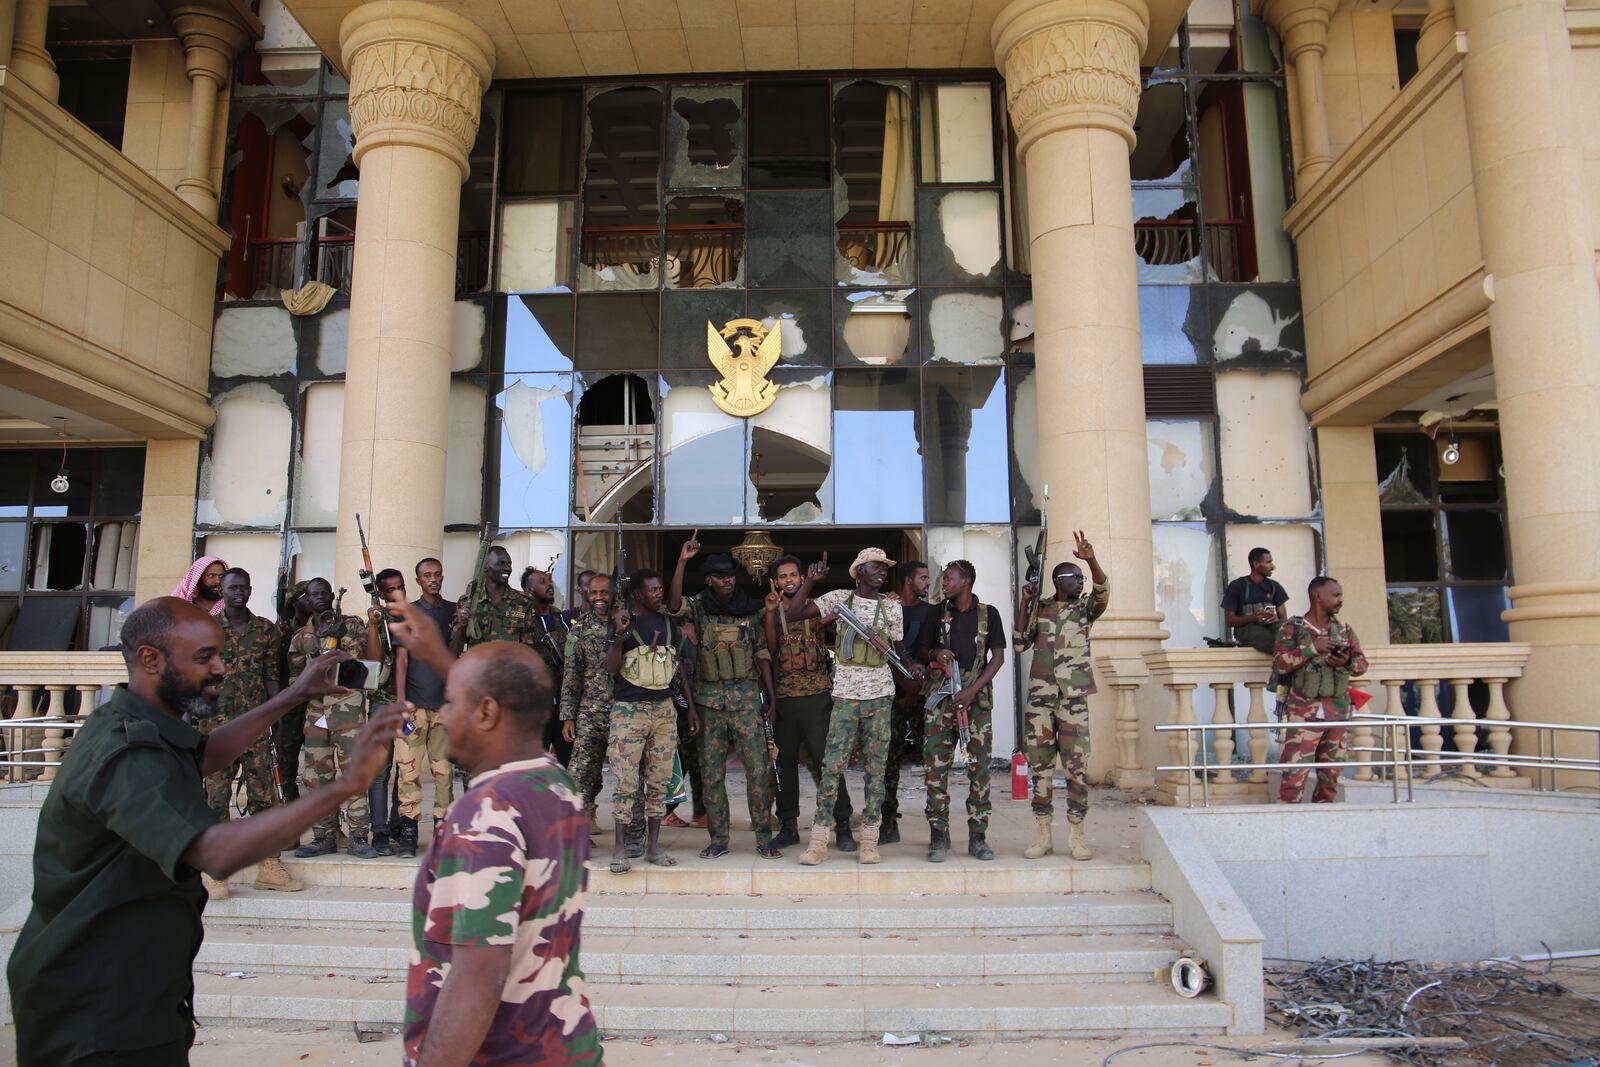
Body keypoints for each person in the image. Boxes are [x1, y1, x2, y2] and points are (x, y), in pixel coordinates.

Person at [7, 597, 400, 1067]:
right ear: (150, 660)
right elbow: (213, 851)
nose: (221, 668)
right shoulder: (124, 750)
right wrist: (347, 784)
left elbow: (206, 753)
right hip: (94, 1007)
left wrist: (292, 695)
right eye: (204, 658)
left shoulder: (144, 723)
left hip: (135, 990)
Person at [377, 599, 602, 1067]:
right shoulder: (556, 786)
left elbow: (477, 979)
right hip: (567, 1048)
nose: (445, 713)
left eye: (451, 701)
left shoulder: (485, 814)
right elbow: (504, 706)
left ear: (484, 713)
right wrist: (443, 657)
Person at [786, 547, 909, 866]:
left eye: (884, 567)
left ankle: (869, 841)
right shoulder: (840, 598)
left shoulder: (892, 608)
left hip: (880, 696)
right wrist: (809, 582)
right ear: (859, 571)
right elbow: (794, 614)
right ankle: (818, 842)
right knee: (831, 768)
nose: (882, 571)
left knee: (875, 770)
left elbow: (896, 648)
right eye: (875, 566)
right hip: (845, 696)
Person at [667, 535, 780, 859]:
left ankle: (763, 836)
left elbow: (761, 653)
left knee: (759, 771)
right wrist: (682, 561)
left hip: (746, 700)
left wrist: (770, 699)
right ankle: (719, 839)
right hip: (709, 703)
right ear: (709, 580)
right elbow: (674, 604)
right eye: (720, 576)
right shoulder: (700, 607)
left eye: (731, 575)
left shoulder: (750, 607)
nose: (727, 581)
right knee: (711, 773)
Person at [199, 567, 302, 899]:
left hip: (256, 727)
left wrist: (277, 715)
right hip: (218, 730)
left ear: (250, 590)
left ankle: (269, 867)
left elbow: (272, 675)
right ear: (223, 592)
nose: (238, 593)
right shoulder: (208, 629)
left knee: (263, 797)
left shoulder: (266, 630)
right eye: (232, 588)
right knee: (216, 798)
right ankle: (215, 872)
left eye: (243, 587)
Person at [1015, 532, 1109, 862]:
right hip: (1040, 699)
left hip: (1073, 699)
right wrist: (1026, 600)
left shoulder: (1085, 609)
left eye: (1082, 577)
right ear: (1059, 581)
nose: (1082, 581)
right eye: (1077, 577)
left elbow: (1102, 592)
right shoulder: (1040, 608)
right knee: (1039, 770)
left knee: (1076, 769)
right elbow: (1018, 642)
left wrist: (1091, 560)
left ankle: (1077, 836)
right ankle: (1043, 835)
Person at [604, 569, 697, 873]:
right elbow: (610, 668)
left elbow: (680, 668)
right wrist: (618, 636)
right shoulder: (623, 623)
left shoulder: (670, 625)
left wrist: (691, 708)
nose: (658, 593)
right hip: (629, 710)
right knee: (626, 782)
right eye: (653, 590)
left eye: (660, 588)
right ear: (637, 594)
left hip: (663, 709)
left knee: (659, 782)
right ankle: (620, 850)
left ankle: (653, 849)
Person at [288, 578, 385, 857]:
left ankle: (358, 837)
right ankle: (323, 836)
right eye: (313, 594)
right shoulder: (302, 637)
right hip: (316, 714)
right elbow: (295, 677)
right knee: (316, 778)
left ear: (332, 595)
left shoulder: (352, 624)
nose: (319, 598)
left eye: (323, 593)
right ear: (307, 599)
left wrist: (347, 635)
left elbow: (372, 665)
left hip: (348, 712)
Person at [763, 555, 852, 852]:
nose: (789, 580)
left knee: (827, 762)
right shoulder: (772, 607)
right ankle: (788, 826)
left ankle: (842, 824)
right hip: (786, 698)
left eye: (793, 575)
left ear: (801, 578)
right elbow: (772, 650)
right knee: (784, 765)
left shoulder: (816, 606)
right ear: (776, 581)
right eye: (783, 576)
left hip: (816, 697)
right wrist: (770, 614)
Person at [924, 560, 1007, 863]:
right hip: (941, 705)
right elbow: (922, 651)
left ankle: (978, 837)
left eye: (949, 578)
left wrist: (972, 690)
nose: (943, 583)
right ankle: (938, 834)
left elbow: (997, 658)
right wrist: (936, 653)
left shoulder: (989, 614)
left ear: (966, 581)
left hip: (976, 705)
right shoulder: (937, 613)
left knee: (979, 771)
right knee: (935, 771)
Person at [1273, 576, 1368, 804]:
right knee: (1294, 775)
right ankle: (1287, 825)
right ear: (1318, 596)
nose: (1340, 600)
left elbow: (1361, 665)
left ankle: (1324, 819)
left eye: (1340, 595)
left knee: (1332, 776)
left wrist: (1345, 662)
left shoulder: (1344, 630)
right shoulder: (1293, 629)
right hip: (1304, 713)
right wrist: (1311, 649)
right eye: (1335, 595)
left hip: (1337, 711)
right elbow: (1280, 664)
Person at [392, 557, 455, 858]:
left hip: (444, 706)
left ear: (443, 577)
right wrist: (402, 702)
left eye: (437, 575)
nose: (433, 579)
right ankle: (409, 830)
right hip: (414, 705)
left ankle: (443, 828)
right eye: (426, 575)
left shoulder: (453, 612)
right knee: (408, 771)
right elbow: (401, 660)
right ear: (418, 580)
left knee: (444, 772)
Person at [559, 572, 621, 830]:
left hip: (624, 712)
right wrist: (568, 717)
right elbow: (571, 674)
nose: (598, 598)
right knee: (581, 773)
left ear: (614, 593)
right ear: (586, 594)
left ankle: (631, 832)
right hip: (589, 714)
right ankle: (575, 827)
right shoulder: (580, 628)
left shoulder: (626, 622)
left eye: (604, 592)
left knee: (627, 777)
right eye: (594, 593)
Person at [883, 559, 934, 845]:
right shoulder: (889, 608)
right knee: (889, 763)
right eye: (923, 578)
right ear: (907, 581)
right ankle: (888, 822)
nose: (927, 582)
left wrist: (919, 684)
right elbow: (882, 649)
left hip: (924, 695)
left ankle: (936, 826)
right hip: (894, 696)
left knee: (932, 762)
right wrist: (906, 685)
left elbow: (931, 651)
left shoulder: (931, 611)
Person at [363, 568, 410, 857]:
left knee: (405, 770)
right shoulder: (375, 621)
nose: (397, 593)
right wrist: (373, 626)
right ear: (379, 592)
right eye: (390, 589)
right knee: (380, 771)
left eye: (401, 587)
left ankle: (397, 825)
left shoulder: (414, 617)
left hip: (409, 704)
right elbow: (373, 663)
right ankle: (379, 831)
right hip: (382, 702)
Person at [522, 564, 573, 766]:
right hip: (536, 707)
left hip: (562, 707)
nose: (549, 585)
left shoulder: (561, 618)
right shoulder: (523, 621)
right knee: (534, 768)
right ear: (529, 590)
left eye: (549, 581)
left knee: (569, 767)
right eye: (542, 582)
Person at [274, 579, 314, 802]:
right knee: (286, 763)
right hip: (289, 707)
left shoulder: (324, 624)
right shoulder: (282, 629)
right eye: (306, 597)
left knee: (318, 766)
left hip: (317, 705)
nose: (312, 600)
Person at [1222, 547, 1289, 653]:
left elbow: (1284, 619)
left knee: (1291, 634)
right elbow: (1229, 621)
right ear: (1256, 564)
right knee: (1273, 642)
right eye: (1268, 562)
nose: (1273, 567)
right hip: (1247, 629)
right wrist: (1253, 618)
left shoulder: (1274, 586)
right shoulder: (1237, 586)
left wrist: (1275, 619)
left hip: (1271, 627)